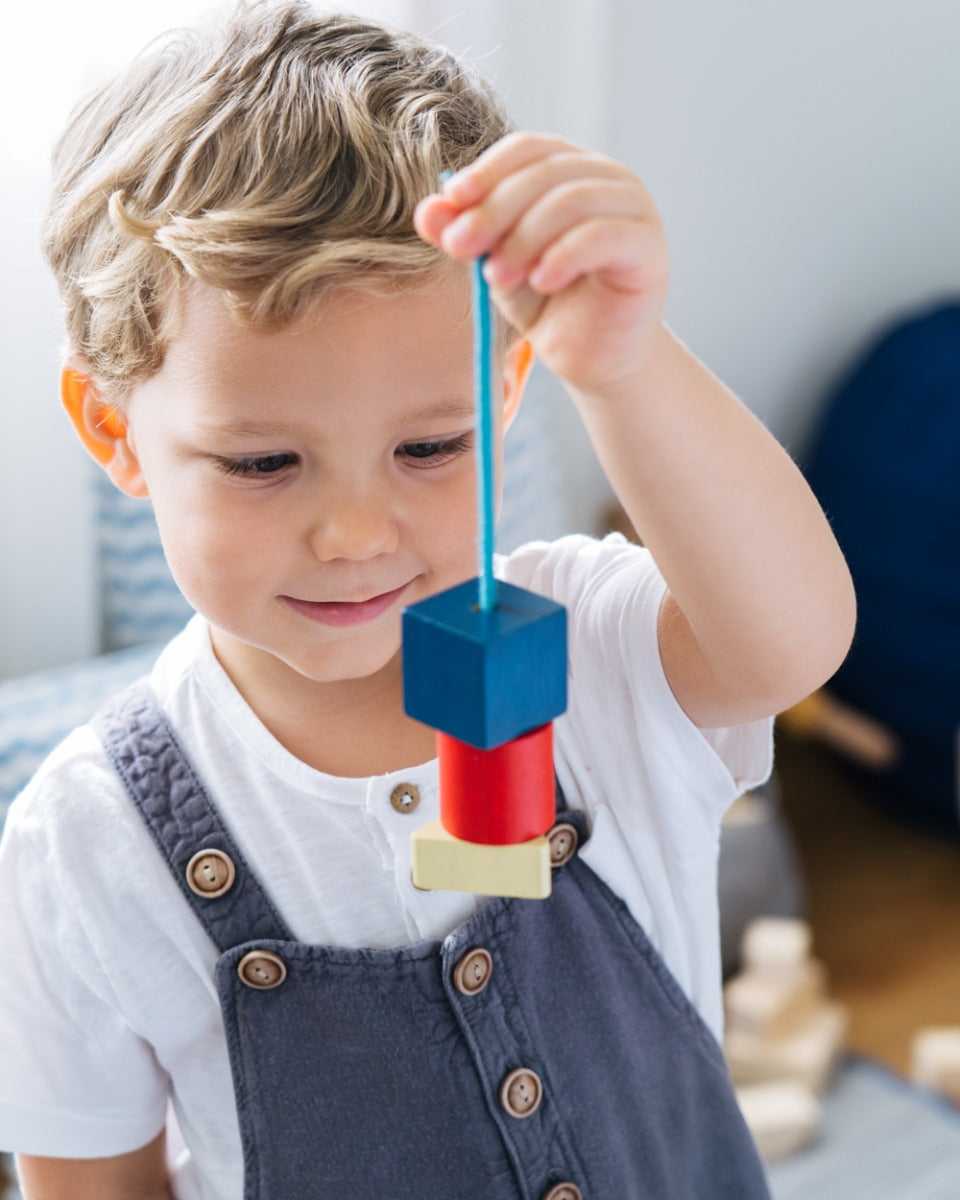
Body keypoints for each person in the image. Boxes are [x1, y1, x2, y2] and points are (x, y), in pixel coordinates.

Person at [0, 2, 856, 1197]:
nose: (355, 534)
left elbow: (790, 644)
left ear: (505, 392)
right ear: (113, 429)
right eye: (262, 462)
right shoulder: (84, 846)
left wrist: (624, 360)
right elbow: (90, 1181)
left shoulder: (588, 644)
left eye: (430, 447)